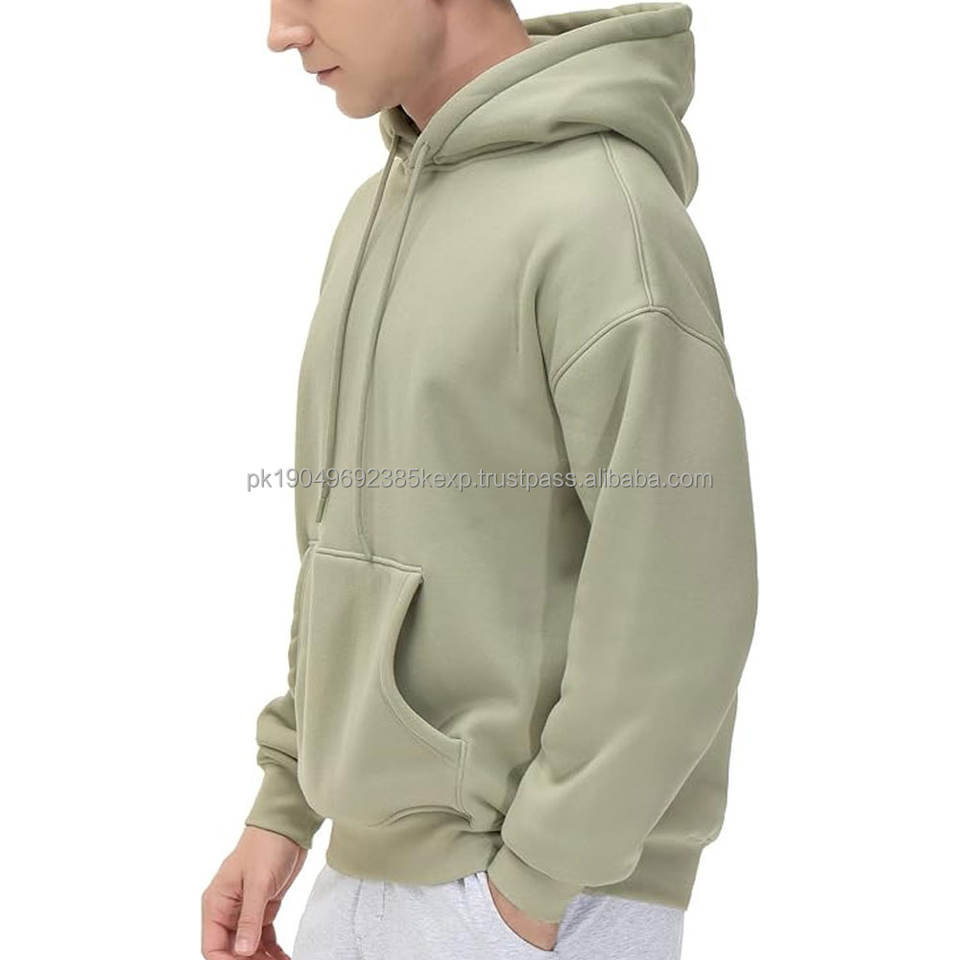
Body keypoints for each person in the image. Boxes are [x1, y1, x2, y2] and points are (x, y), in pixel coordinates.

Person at [201, 2, 758, 958]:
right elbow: (342, 535)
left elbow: (686, 591)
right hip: (362, 874)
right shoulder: (378, 208)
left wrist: (531, 889)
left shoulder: (603, 217)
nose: (281, 30)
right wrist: (285, 801)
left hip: (540, 896)